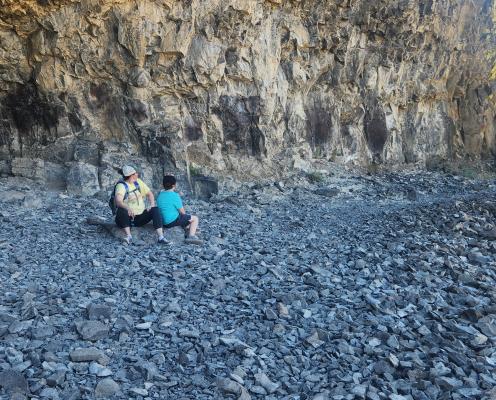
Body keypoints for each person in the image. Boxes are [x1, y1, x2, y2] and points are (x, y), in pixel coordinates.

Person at [114, 165, 169, 245]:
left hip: (139, 218)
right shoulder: (121, 186)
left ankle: (161, 237)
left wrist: (151, 205)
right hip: (126, 218)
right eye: (135, 173)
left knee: (155, 209)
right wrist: (128, 208)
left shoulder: (138, 182)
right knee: (122, 209)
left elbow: (150, 194)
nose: (137, 174)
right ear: (131, 176)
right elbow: (118, 201)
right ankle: (128, 236)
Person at [157, 175, 203, 244]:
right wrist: (186, 219)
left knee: (183, 218)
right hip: (171, 222)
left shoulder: (160, 195)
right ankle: (191, 236)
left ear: (163, 185)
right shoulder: (174, 195)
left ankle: (188, 229)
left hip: (163, 222)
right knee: (194, 218)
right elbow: (182, 212)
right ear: (174, 185)